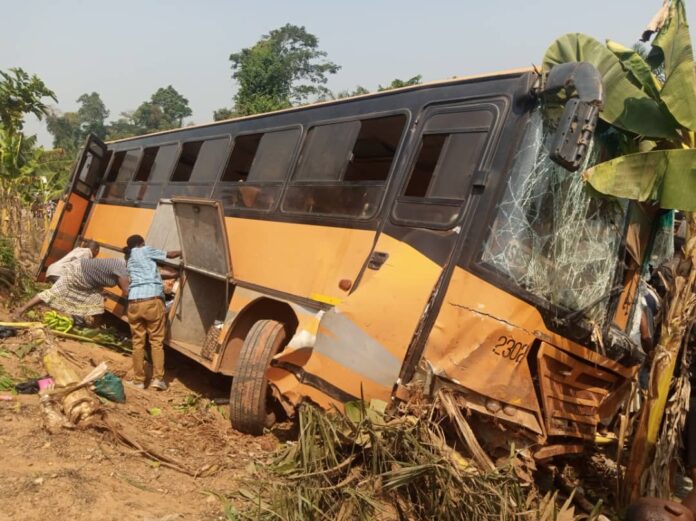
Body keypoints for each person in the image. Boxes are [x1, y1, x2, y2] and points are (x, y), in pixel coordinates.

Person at [123, 235, 180, 391]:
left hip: (134, 302)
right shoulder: (145, 250)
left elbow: (147, 272)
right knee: (156, 341)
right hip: (152, 300)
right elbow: (170, 254)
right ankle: (157, 379)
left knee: (137, 342)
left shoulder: (128, 260)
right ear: (141, 243)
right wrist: (185, 252)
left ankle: (138, 381)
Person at [14, 256, 129, 319]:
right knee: (53, 293)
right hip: (78, 275)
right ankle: (21, 310)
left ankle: (90, 327)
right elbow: (126, 291)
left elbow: (121, 285)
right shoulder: (121, 268)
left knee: (97, 301)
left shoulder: (119, 263)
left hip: (85, 279)